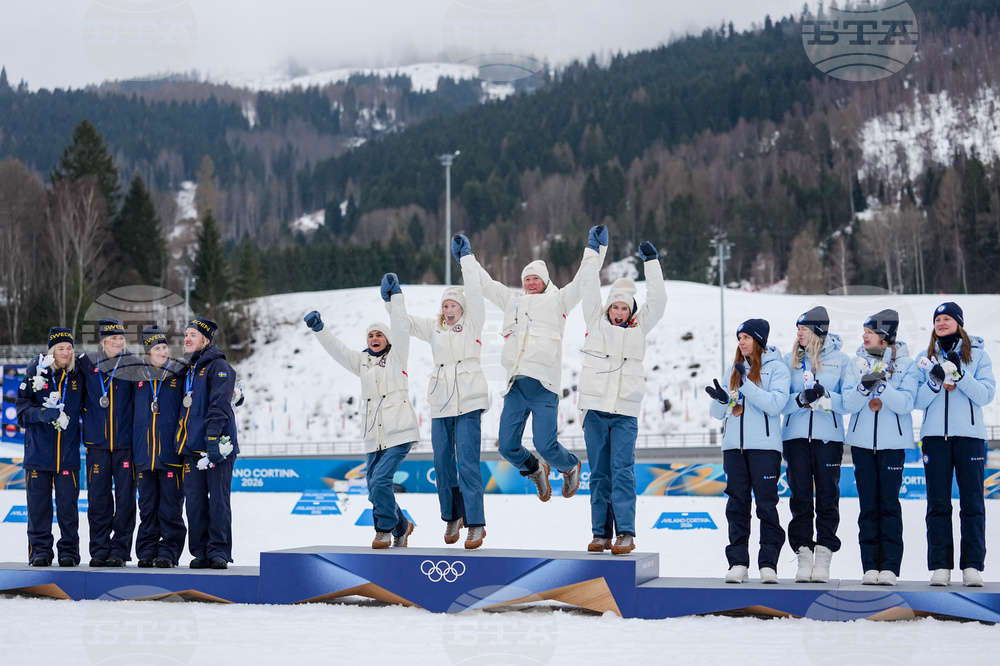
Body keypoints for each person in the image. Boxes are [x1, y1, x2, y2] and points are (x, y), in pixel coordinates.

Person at [469, 226, 607, 502]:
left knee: (545, 444)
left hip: (544, 386)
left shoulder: (559, 300)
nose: (530, 283)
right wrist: (466, 258)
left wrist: (595, 249)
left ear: (545, 281)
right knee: (507, 447)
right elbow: (485, 284)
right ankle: (535, 470)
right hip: (516, 387)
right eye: (527, 279)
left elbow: (583, 280)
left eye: (535, 279)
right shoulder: (512, 301)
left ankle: (570, 466)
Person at [304, 273, 419, 549]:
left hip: (399, 431)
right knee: (374, 488)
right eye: (370, 335)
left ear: (388, 339)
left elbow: (401, 326)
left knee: (380, 481)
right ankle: (403, 526)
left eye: (379, 334)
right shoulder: (362, 362)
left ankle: (383, 530)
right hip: (373, 435)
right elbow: (338, 350)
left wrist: (394, 298)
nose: (375, 338)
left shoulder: (397, 356)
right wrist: (321, 330)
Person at [395, 236, 489, 549]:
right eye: (445, 305)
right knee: (442, 462)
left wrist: (466, 258)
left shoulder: (473, 323)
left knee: (468, 463)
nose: (449, 310)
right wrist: (394, 298)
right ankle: (452, 516)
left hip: (469, 400)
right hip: (441, 403)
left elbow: (475, 292)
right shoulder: (435, 328)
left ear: (462, 309)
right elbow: (405, 323)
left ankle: (475, 523)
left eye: (453, 305)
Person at [578, 239, 666, 555]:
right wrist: (593, 251)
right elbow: (588, 284)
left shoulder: (640, 328)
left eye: (623, 308)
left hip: (625, 411)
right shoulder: (594, 322)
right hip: (595, 411)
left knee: (623, 472)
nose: (618, 312)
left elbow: (659, 299)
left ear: (631, 310)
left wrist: (651, 262)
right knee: (599, 474)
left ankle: (625, 533)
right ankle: (600, 533)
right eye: (614, 307)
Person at [914, 302, 996, 587]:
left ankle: (972, 565)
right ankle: (940, 565)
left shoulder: (979, 356)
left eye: (947, 318)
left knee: (972, 502)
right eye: (937, 319)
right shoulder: (925, 359)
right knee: (937, 503)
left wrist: (960, 375)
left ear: (959, 323)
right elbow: (916, 401)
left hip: (970, 438)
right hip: (935, 439)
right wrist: (935, 381)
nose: (941, 323)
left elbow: (986, 395)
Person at [706, 319, 789, 584]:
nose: (741, 342)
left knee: (767, 506)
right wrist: (721, 400)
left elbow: (775, 405)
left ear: (759, 340)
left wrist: (747, 383)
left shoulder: (777, 368)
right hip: (733, 449)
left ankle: (768, 564)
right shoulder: (734, 368)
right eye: (739, 337)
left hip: (764, 448)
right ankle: (738, 563)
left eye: (746, 337)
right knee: (737, 507)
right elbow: (718, 413)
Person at [780, 306, 856, 583]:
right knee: (800, 498)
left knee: (827, 497)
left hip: (829, 439)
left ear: (818, 332)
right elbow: (780, 402)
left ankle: (823, 555)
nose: (799, 333)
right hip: (795, 438)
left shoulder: (841, 360)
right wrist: (800, 399)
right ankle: (803, 554)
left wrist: (824, 399)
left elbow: (848, 402)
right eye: (798, 328)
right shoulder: (789, 361)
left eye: (805, 329)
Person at [842, 309, 918, 586]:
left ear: (884, 338)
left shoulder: (907, 365)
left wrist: (883, 387)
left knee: (888, 504)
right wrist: (864, 388)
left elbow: (907, 404)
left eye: (869, 332)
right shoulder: (855, 363)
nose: (864, 336)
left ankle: (890, 567)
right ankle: (869, 566)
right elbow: (848, 404)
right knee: (868, 507)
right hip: (862, 444)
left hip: (892, 444)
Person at [15, 327, 85, 567]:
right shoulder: (36, 376)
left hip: (67, 456)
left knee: (68, 510)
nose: (65, 353)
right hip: (38, 454)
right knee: (38, 510)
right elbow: (22, 414)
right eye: (59, 349)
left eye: (68, 348)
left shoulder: (78, 376)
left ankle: (69, 552)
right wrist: (44, 414)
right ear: (51, 351)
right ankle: (40, 552)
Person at [175, 317, 240, 569]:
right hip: (192, 447)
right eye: (186, 335)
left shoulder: (219, 365)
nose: (188, 339)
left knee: (219, 501)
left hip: (217, 445)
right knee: (195, 502)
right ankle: (200, 550)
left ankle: (219, 551)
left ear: (206, 339)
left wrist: (212, 438)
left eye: (193, 334)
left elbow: (220, 405)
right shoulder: (186, 368)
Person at [78, 317, 137, 567]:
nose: (117, 342)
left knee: (125, 502)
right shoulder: (85, 363)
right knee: (98, 502)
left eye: (121, 338)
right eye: (112, 338)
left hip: (126, 445)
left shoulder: (133, 364)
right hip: (97, 446)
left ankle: (120, 550)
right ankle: (99, 550)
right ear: (102, 340)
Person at [132, 325, 186, 568]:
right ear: (148, 353)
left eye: (165, 347)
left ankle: (168, 552)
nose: (163, 351)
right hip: (144, 455)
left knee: (170, 509)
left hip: (170, 455)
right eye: (157, 348)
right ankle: (146, 551)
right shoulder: (136, 379)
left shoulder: (179, 375)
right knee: (147, 508)